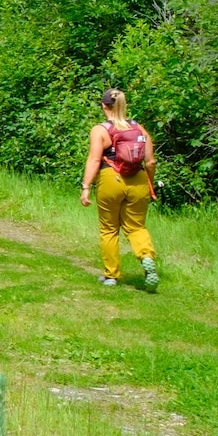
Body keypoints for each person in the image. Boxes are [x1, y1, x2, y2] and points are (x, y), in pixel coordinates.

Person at [80, 88, 159, 290]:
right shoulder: (139, 128)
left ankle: (111, 275)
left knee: (109, 228)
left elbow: (95, 159)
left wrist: (86, 186)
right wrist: (149, 183)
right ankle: (147, 256)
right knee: (136, 227)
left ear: (104, 106)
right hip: (138, 179)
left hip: (110, 179)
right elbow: (150, 162)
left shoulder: (100, 130)